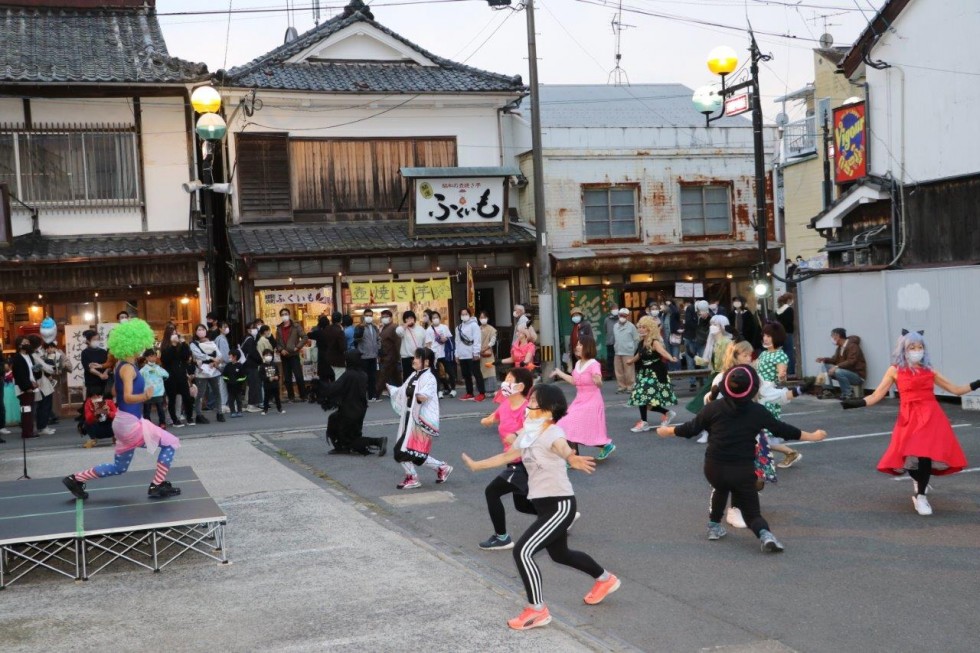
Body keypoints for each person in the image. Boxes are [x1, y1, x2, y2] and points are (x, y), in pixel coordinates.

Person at [462, 384, 620, 631]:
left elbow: (562, 447)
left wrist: (572, 458)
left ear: (548, 407)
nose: (529, 403)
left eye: (534, 400)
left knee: (522, 551)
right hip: (545, 506)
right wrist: (476, 466)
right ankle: (605, 579)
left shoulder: (552, 432)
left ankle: (537, 610)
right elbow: (506, 457)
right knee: (560, 554)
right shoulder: (530, 432)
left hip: (560, 505)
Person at [657, 365, 827, 552]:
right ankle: (765, 535)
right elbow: (783, 429)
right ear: (753, 388)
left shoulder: (713, 408)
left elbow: (690, 428)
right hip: (742, 471)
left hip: (714, 468)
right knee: (752, 513)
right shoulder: (757, 412)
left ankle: (714, 527)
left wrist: (668, 431)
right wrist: (813, 436)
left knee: (720, 488)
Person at [842, 331, 977, 516]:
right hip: (909, 418)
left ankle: (920, 496)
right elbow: (877, 395)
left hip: (932, 417)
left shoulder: (930, 370)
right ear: (903, 350)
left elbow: (956, 390)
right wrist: (856, 403)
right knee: (910, 461)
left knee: (925, 456)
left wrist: (978, 383)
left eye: (920, 347)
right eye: (912, 347)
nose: (916, 351)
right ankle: (919, 481)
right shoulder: (895, 370)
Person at [63, 319, 183, 501]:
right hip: (130, 424)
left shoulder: (121, 364)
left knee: (119, 467)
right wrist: (144, 396)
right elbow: (126, 396)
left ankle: (75, 479)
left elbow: (114, 392)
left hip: (124, 422)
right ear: (134, 343)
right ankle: (157, 485)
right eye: (142, 343)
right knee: (171, 442)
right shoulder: (127, 368)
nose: (144, 347)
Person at [705, 341, 813, 529]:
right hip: (728, 433)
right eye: (745, 355)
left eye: (750, 355)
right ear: (735, 356)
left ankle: (740, 502)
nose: (749, 358)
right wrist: (712, 396)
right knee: (731, 475)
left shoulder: (756, 377)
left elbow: (774, 395)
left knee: (756, 478)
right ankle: (732, 510)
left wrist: (800, 390)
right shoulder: (722, 377)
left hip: (751, 433)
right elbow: (711, 404)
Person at [477, 367, 534, 550]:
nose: (505, 383)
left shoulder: (527, 409)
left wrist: (517, 437)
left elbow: (532, 433)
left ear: (520, 386)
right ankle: (558, 518)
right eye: (506, 378)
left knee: (492, 492)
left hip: (524, 463)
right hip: (513, 461)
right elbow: (496, 416)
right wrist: (488, 420)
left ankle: (502, 537)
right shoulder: (506, 404)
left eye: (509, 379)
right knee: (522, 505)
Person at [388, 347, 452, 489]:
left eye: (417, 358)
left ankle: (412, 477)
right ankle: (442, 467)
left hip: (421, 420)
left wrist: (419, 396)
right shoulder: (414, 375)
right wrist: (392, 389)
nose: (414, 360)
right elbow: (403, 390)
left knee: (401, 451)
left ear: (427, 362)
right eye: (415, 357)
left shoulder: (429, 378)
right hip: (410, 417)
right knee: (416, 453)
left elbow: (424, 396)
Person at [552, 335, 615, 460]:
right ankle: (578, 455)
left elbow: (599, 383)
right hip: (579, 400)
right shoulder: (578, 364)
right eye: (577, 345)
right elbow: (574, 381)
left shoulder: (593, 364)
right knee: (567, 425)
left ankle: (600, 447)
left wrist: (598, 381)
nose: (577, 347)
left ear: (588, 347)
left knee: (574, 425)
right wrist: (559, 373)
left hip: (592, 400)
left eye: (580, 344)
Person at [320, 350, 388, 456]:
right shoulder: (363, 374)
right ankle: (341, 447)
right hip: (359, 409)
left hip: (349, 411)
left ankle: (378, 441)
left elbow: (335, 387)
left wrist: (320, 388)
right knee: (336, 422)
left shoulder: (349, 375)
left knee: (350, 439)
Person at [756, 322, 802, 468]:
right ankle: (785, 454)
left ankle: (789, 453)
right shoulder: (763, 353)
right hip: (758, 394)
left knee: (762, 431)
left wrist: (782, 376)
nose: (765, 338)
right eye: (764, 335)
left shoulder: (780, 355)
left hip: (769, 395)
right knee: (758, 431)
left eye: (769, 336)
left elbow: (782, 376)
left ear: (776, 337)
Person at [685, 314, 732, 441]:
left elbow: (728, 362)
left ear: (722, 326)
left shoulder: (727, 343)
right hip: (714, 375)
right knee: (707, 403)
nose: (712, 327)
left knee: (709, 403)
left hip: (723, 376)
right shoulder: (713, 343)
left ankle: (709, 431)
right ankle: (709, 431)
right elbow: (706, 362)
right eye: (711, 324)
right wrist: (693, 356)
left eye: (715, 324)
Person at [628, 316, 679, 433]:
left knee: (642, 397)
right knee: (646, 402)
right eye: (639, 327)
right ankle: (667, 413)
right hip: (644, 372)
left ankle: (644, 422)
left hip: (655, 373)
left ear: (650, 328)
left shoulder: (654, 342)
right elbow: (639, 355)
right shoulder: (641, 343)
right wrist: (631, 361)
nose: (640, 329)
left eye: (643, 327)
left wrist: (671, 358)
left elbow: (662, 352)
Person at [817, 328, 867, 400]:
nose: (831, 338)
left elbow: (851, 361)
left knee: (838, 370)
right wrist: (824, 359)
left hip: (857, 376)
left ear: (837, 336)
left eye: (832, 336)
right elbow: (834, 360)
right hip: (845, 372)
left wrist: (837, 366)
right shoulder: (840, 348)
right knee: (824, 365)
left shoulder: (853, 346)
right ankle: (827, 391)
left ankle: (848, 394)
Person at [190, 324, 224, 424]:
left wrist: (215, 362)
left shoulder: (212, 342)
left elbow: (219, 354)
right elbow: (198, 355)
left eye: (203, 329)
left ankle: (219, 413)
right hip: (201, 372)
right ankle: (199, 415)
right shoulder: (193, 344)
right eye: (199, 329)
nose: (201, 331)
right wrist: (211, 358)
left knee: (217, 392)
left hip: (213, 370)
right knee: (200, 393)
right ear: (195, 332)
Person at [34, 339, 69, 436]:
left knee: (47, 405)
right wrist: (50, 369)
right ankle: (42, 427)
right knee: (43, 406)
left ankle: (44, 425)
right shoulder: (36, 355)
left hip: (49, 382)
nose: (48, 349)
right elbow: (42, 368)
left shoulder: (56, 354)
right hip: (42, 383)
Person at [161, 326, 194, 427]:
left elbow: (186, 356)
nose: (175, 335)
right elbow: (166, 360)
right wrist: (173, 345)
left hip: (182, 375)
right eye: (172, 334)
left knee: (187, 397)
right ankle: (175, 420)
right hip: (170, 377)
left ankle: (189, 417)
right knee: (172, 399)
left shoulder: (180, 345)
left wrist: (184, 343)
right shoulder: (165, 346)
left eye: (176, 333)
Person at [276, 308, 306, 402]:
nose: (284, 315)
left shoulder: (296, 326)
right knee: (287, 377)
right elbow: (277, 342)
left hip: (294, 354)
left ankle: (303, 395)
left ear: (289, 314)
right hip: (284, 355)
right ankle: (291, 397)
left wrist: (298, 347)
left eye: (286, 313)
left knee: (298, 376)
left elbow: (304, 337)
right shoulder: (279, 328)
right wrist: (281, 350)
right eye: (282, 314)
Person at [456, 307, 486, 401]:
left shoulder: (474, 325)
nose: (464, 316)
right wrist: (456, 354)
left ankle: (481, 393)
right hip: (462, 354)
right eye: (462, 314)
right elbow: (457, 341)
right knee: (466, 375)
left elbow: (477, 340)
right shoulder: (459, 327)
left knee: (476, 374)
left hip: (472, 354)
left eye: (466, 314)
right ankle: (469, 392)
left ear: (469, 315)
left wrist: (476, 352)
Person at [425, 310, 457, 399]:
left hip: (445, 353)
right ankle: (439, 391)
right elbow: (428, 344)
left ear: (439, 318)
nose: (435, 319)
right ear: (431, 319)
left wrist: (445, 339)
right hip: (435, 355)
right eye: (433, 318)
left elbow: (450, 338)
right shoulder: (429, 330)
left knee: (450, 371)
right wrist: (430, 354)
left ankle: (453, 389)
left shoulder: (444, 327)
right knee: (436, 374)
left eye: (437, 317)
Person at [12, 337, 39, 439]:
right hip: (24, 388)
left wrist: (37, 372)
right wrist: (27, 387)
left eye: (28, 342)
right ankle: (27, 432)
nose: (28, 344)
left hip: (32, 386)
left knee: (31, 410)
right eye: (25, 343)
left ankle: (30, 430)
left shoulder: (30, 356)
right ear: (20, 345)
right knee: (26, 410)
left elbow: (33, 371)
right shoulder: (18, 358)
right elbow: (20, 375)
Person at [354, 309, 381, 401]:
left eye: (370, 315)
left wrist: (378, 348)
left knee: (373, 377)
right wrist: (359, 333)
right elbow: (356, 340)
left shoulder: (374, 327)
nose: (369, 317)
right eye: (367, 315)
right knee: (363, 378)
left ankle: (372, 396)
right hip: (363, 356)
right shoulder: (359, 327)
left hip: (373, 355)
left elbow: (378, 339)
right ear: (364, 316)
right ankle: (362, 397)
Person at [139, 349, 169, 428]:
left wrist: (159, 373)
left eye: (155, 356)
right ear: (146, 358)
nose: (153, 358)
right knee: (147, 410)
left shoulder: (158, 368)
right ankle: (147, 424)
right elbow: (139, 379)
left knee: (160, 409)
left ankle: (162, 423)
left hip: (158, 392)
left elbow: (166, 374)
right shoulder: (143, 370)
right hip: (147, 392)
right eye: (151, 356)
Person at [612, 308, 639, 393]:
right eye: (621, 315)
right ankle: (621, 386)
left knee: (629, 370)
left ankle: (630, 386)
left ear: (627, 316)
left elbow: (636, 339)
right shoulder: (615, 326)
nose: (622, 317)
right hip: (617, 351)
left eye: (624, 316)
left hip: (628, 351)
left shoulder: (631, 326)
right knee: (618, 370)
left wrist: (632, 349)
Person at [240, 321, 264, 413]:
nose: (255, 329)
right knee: (254, 384)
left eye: (255, 327)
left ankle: (253, 403)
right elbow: (253, 352)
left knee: (253, 384)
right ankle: (251, 404)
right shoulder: (249, 339)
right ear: (248, 330)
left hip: (248, 365)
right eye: (252, 327)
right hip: (250, 365)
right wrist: (260, 360)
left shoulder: (249, 338)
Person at [395, 311, 426, 382]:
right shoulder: (403, 329)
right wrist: (406, 324)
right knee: (407, 377)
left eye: (411, 318)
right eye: (407, 318)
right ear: (404, 320)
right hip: (407, 358)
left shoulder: (421, 329)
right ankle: (407, 392)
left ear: (414, 319)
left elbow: (425, 343)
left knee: (419, 376)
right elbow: (398, 332)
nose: (409, 320)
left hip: (418, 357)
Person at [377, 309, 401, 397]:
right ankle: (400, 390)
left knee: (383, 375)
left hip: (391, 356)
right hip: (386, 355)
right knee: (395, 375)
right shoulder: (384, 327)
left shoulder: (394, 327)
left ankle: (376, 394)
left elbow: (398, 342)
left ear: (391, 318)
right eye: (382, 317)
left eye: (386, 317)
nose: (384, 318)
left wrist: (398, 356)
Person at [81, 329, 109, 398]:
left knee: (105, 404)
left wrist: (106, 372)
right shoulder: (85, 352)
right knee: (94, 404)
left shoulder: (103, 351)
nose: (96, 341)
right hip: (92, 383)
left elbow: (108, 364)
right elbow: (88, 368)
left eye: (98, 339)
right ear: (88, 341)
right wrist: (100, 375)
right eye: (94, 339)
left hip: (105, 382)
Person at [774, 293, 796, 376]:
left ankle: (782, 371)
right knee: (789, 352)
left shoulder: (778, 310)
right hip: (788, 333)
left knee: (781, 352)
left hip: (779, 333)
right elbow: (789, 322)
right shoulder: (789, 309)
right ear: (788, 300)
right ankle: (790, 371)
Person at [222, 349, 247, 417]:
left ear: (235, 356)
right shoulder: (228, 366)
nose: (229, 357)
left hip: (238, 387)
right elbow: (224, 375)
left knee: (239, 400)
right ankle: (232, 412)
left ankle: (239, 411)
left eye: (230, 356)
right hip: (230, 387)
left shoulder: (240, 366)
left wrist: (238, 381)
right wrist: (228, 381)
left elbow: (244, 376)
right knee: (231, 400)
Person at [214, 321, 232, 413]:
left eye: (227, 326)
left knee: (221, 384)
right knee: (223, 385)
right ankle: (222, 404)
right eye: (224, 327)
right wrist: (230, 360)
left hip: (219, 364)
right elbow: (225, 355)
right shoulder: (222, 339)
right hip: (223, 365)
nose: (226, 328)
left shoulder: (218, 338)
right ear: (220, 328)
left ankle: (222, 404)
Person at [478, 310, 499, 393]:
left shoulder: (492, 329)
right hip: (479, 353)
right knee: (481, 371)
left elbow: (492, 342)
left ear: (487, 318)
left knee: (490, 370)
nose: (483, 319)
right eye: (481, 317)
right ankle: (482, 389)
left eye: (484, 317)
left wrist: (484, 348)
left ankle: (491, 389)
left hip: (487, 352)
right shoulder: (477, 328)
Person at [259, 349, 284, 415]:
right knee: (266, 398)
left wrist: (277, 377)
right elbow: (261, 376)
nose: (268, 356)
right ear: (263, 356)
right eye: (267, 355)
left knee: (277, 397)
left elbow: (278, 373)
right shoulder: (262, 366)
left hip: (275, 384)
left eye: (270, 355)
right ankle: (265, 409)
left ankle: (279, 408)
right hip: (267, 385)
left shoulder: (274, 365)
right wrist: (268, 379)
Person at [603, 303, 619, 381]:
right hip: (610, 341)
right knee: (610, 358)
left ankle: (618, 374)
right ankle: (609, 374)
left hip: (619, 342)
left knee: (619, 358)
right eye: (613, 308)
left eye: (616, 308)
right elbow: (605, 329)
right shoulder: (607, 319)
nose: (615, 309)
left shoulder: (620, 318)